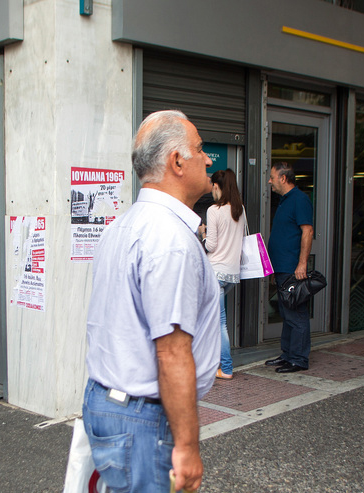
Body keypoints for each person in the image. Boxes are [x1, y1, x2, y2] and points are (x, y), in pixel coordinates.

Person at [83, 110, 219, 493]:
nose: (208, 159)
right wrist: (188, 447)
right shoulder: (170, 240)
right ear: (177, 161)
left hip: (108, 403)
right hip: (141, 421)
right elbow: (172, 353)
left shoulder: (121, 226)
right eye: (200, 149)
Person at [265, 161, 314, 373]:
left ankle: (299, 359)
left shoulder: (300, 200)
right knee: (286, 313)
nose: (270, 181)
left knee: (297, 314)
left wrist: (302, 264)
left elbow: (308, 231)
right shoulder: (284, 201)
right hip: (282, 268)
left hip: (293, 268)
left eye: (272, 177)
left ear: (283, 178)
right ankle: (287, 355)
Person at [199, 169, 247, 379]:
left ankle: (226, 368)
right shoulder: (240, 209)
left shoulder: (214, 211)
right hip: (232, 274)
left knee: (218, 322)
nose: (212, 191)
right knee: (215, 320)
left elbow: (211, 245)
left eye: (213, 187)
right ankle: (212, 363)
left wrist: (202, 234)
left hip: (215, 272)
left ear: (218, 187)